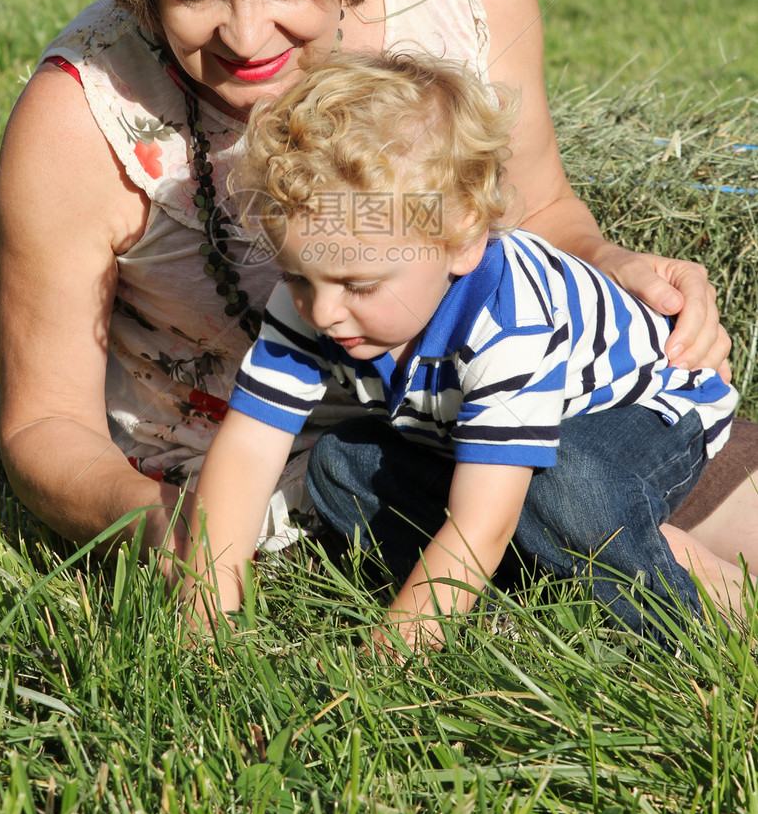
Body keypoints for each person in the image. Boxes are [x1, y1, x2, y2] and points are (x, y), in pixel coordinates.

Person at [0, 0, 755, 582]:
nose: (247, 36)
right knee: (591, 534)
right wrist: (182, 532)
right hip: (262, 472)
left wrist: (618, 265)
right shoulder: (80, 116)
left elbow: (541, 214)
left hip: (500, 397)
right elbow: (42, 427)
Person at [181, 50, 748, 647]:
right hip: (483, 442)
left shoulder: (510, 323)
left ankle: (688, 618)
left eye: (361, 284)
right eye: (298, 276)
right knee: (340, 468)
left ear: (462, 241)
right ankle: (526, 599)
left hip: (639, 409)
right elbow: (247, 447)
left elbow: (485, 514)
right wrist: (204, 605)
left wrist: (398, 647)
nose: (322, 312)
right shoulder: (319, 302)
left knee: (568, 487)